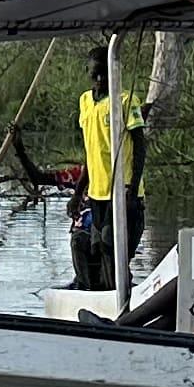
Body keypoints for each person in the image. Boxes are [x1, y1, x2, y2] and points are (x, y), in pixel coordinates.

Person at [72, 54, 146, 293]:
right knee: (92, 246)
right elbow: (90, 151)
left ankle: (122, 294)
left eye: (106, 73)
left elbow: (140, 146)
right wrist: (78, 193)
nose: (101, 79)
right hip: (97, 192)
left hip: (121, 189)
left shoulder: (126, 100)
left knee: (111, 244)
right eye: (96, 74)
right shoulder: (85, 101)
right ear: (88, 72)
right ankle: (99, 291)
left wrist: (132, 187)